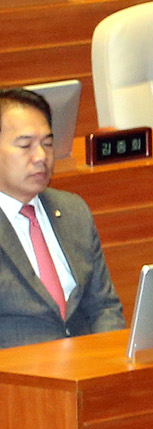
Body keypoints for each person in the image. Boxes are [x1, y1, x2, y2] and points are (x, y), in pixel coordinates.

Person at [0, 86, 126, 350]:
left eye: (47, 144)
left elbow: (104, 306)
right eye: (25, 146)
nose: (41, 157)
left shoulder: (72, 211)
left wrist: (106, 359)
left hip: (87, 367)